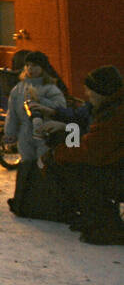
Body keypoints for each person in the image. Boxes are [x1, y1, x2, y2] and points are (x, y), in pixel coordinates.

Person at [46, 66, 124, 245]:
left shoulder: (115, 114)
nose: (87, 94)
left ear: (101, 91)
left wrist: (58, 152)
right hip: (115, 164)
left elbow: (92, 151)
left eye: (90, 90)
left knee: (79, 172)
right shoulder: (110, 106)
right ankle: (95, 218)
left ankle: (107, 226)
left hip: (117, 171)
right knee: (77, 166)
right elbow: (80, 122)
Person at [3, 50, 68, 212]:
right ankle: (25, 197)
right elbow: (12, 113)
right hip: (25, 130)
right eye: (28, 66)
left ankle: (45, 197)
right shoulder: (18, 88)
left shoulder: (50, 87)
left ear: (43, 68)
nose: (30, 69)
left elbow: (61, 107)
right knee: (26, 162)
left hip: (45, 130)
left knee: (43, 161)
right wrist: (10, 132)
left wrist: (41, 101)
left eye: (35, 66)